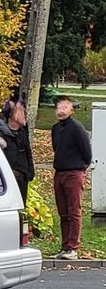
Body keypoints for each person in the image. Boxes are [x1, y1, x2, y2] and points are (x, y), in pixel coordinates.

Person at [51, 95, 93, 259]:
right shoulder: (55, 129)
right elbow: (56, 148)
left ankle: (73, 247)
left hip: (74, 173)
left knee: (74, 211)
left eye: (64, 107)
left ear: (71, 110)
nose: (60, 111)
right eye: (58, 107)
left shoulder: (77, 128)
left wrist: (80, 169)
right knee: (63, 212)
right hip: (59, 173)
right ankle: (64, 245)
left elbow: (86, 153)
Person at [0, 100, 34, 203]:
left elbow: (28, 153)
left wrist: (30, 171)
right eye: (21, 110)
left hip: (22, 180)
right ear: (11, 114)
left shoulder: (22, 131)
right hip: (8, 185)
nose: (25, 112)